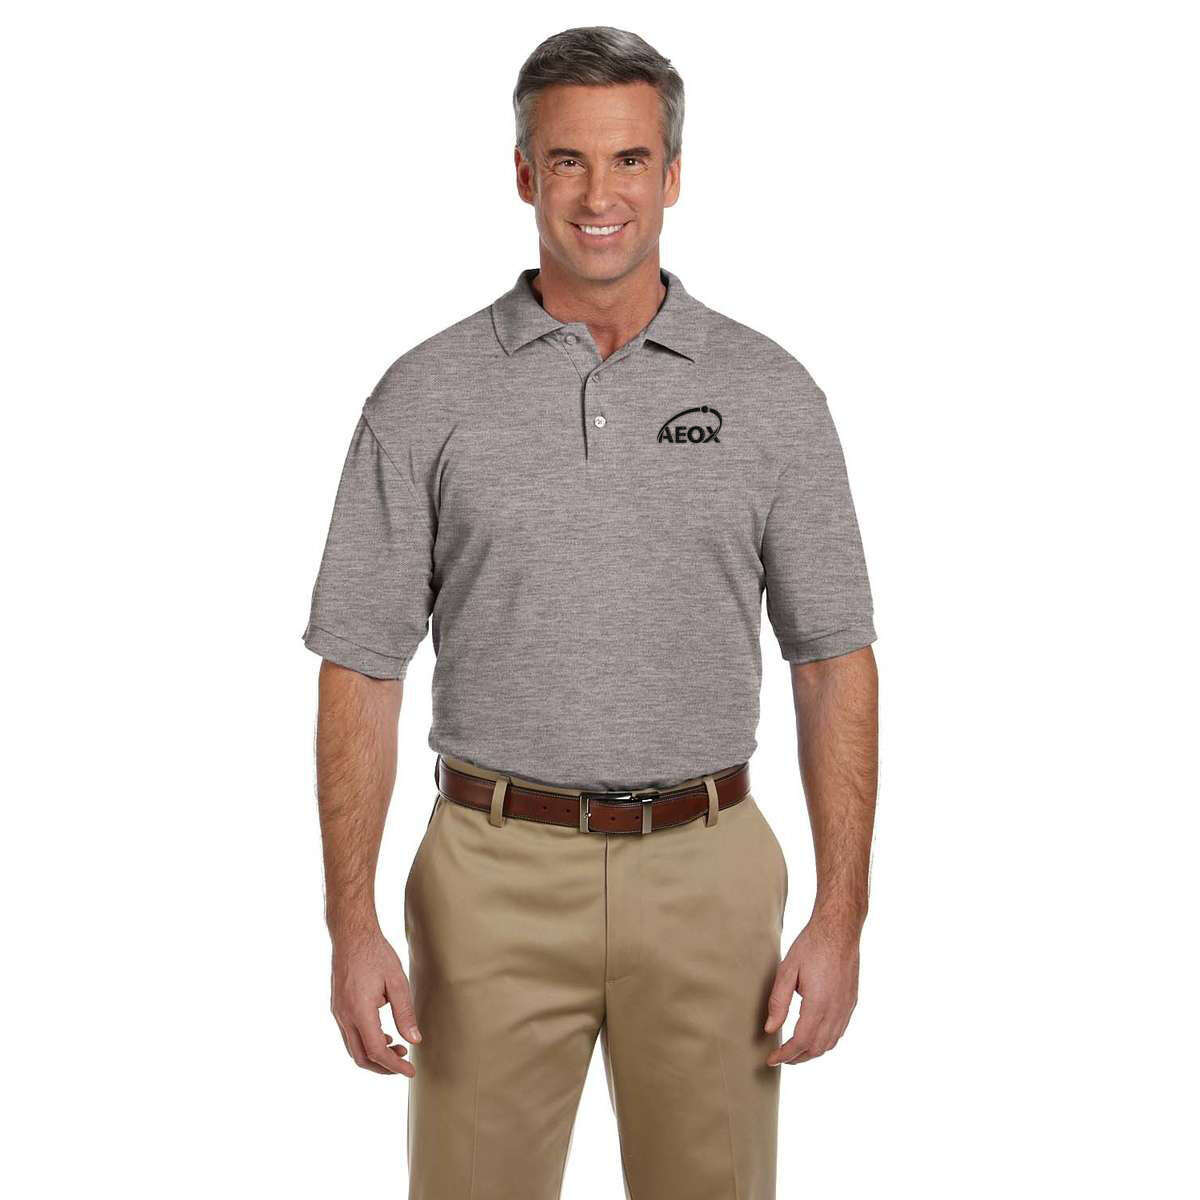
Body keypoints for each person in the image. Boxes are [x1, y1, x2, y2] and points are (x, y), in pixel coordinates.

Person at [302, 25, 878, 1200]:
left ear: (674, 175)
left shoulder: (770, 393)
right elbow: (361, 666)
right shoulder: (425, 394)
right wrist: (350, 923)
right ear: (524, 174)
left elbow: (833, 661)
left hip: (710, 875)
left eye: (629, 160)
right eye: (568, 160)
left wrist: (841, 917)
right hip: (488, 880)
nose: (599, 195)